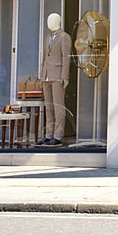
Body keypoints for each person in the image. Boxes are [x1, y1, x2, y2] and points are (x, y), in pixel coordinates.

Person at [39, 12, 72, 146]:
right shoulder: (47, 37)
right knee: (49, 107)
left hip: (58, 75)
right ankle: (48, 134)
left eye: (51, 20)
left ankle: (58, 136)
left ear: (58, 21)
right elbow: (45, 57)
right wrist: (42, 74)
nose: (49, 22)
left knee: (58, 106)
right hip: (47, 76)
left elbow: (66, 57)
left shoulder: (64, 37)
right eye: (48, 19)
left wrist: (65, 77)